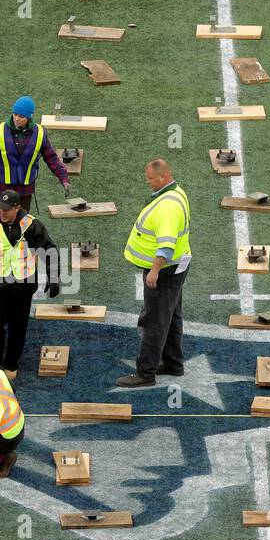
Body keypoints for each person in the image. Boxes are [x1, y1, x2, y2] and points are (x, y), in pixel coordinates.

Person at [0, 189, 59, 378]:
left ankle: (11, 364)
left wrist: (53, 277)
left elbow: (49, 250)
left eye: (7, 209)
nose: (2, 212)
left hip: (23, 287)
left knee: (18, 327)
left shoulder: (33, 226)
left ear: (17, 208)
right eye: (0, 208)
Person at [118, 159, 191, 387]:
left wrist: (154, 272)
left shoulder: (167, 207)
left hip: (165, 271)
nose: (147, 182)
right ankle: (173, 362)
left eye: (150, 178)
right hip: (177, 267)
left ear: (163, 177)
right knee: (172, 315)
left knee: (155, 321)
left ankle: (145, 372)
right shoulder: (176, 192)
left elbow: (166, 246)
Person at [0, 96, 71, 213]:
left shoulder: (40, 133)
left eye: (22, 116)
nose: (17, 119)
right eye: (15, 114)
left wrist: (64, 178)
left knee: (21, 225)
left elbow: (52, 159)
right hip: (0, 188)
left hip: (24, 192)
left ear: (29, 117)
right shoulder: (0, 130)